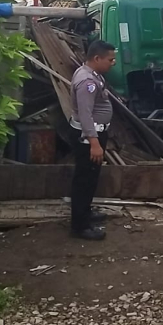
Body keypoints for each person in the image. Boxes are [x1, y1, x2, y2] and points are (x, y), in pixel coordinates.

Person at [69, 40, 117, 240]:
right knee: (84, 180)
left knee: (90, 178)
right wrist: (94, 144)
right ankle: (80, 226)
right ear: (97, 58)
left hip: (95, 134)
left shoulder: (92, 74)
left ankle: (86, 212)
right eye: (110, 59)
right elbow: (86, 114)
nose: (113, 63)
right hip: (89, 137)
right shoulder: (86, 82)